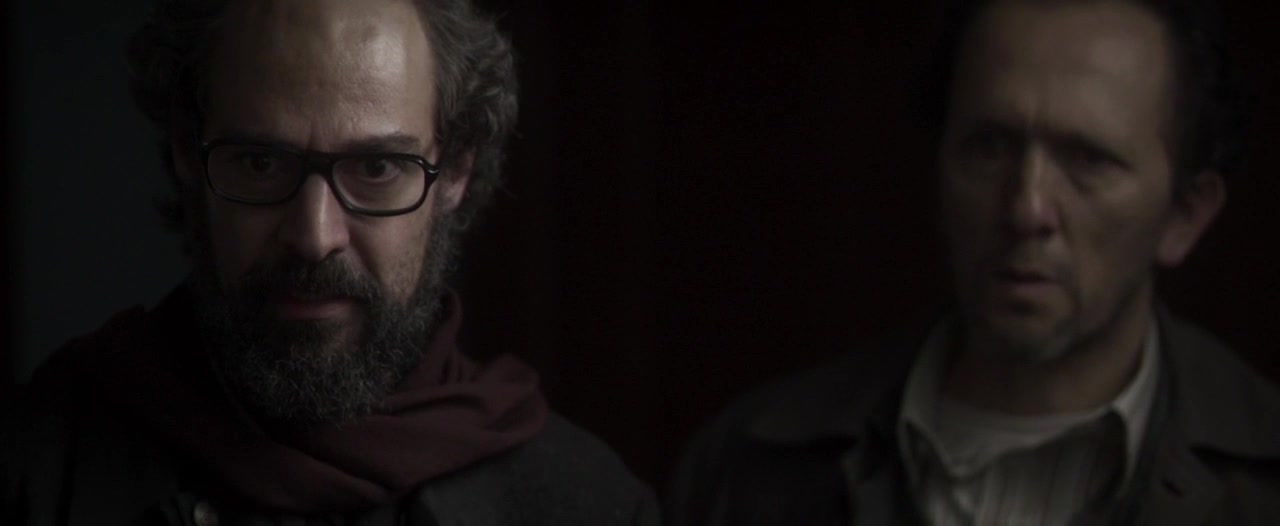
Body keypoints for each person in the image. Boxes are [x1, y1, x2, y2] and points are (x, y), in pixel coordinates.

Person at [2, 0, 658, 523]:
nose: (314, 237)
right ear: (184, 151)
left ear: (456, 171)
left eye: (377, 168)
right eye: (261, 162)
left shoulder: (588, 505)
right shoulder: (36, 470)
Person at [666, 0, 1280, 524]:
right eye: (988, 147)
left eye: (1088, 161)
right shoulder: (754, 470)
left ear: (1185, 216)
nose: (1027, 208)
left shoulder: (1260, 482)